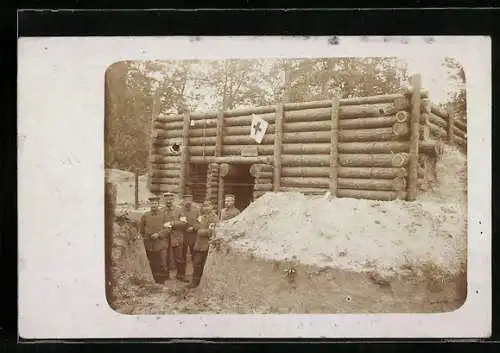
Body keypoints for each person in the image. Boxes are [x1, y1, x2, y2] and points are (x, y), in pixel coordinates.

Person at [187, 200, 218, 289]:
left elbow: (212, 231)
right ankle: (195, 282)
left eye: (208, 206)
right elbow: (196, 225)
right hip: (199, 244)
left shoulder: (214, 218)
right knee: (197, 263)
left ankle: (204, 283)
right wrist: (196, 227)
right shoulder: (202, 217)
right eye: (204, 206)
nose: (206, 208)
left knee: (204, 264)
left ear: (212, 207)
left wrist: (200, 231)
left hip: (207, 245)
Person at [139, 195, 169, 284]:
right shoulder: (145, 215)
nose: (154, 205)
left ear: (158, 204)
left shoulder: (164, 215)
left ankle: (161, 281)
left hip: (160, 243)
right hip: (149, 243)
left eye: (155, 203)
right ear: (150, 204)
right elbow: (141, 229)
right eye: (152, 203)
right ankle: (153, 280)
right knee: (151, 261)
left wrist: (158, 234)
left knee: (162, 262)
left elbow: (168, 228)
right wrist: (143, 236)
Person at [162, 192, 189, 283]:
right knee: (165, 256)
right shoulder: (161, 211)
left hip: (176, 236)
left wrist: (173, 223)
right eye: (166, 199)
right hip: (164, 237)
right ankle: (165, 275)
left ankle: (181, 275)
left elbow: (184, 223)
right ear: (164, 200)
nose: (168, 200)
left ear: (173, 200)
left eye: (170, 199)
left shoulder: (179, 210)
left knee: (178, 256)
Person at [180, 194, 201, 277]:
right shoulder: (180, 210)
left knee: (195, 255)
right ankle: (182, 274)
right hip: (183, 235)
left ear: (192, 201)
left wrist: (193, 228)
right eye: (186, 200)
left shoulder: (197, 210)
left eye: (189, 200)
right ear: (183, 201)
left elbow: (200, 222)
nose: (187, 202)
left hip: (193, 236)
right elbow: (178, 221)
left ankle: (195, 273)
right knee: (182, 256)